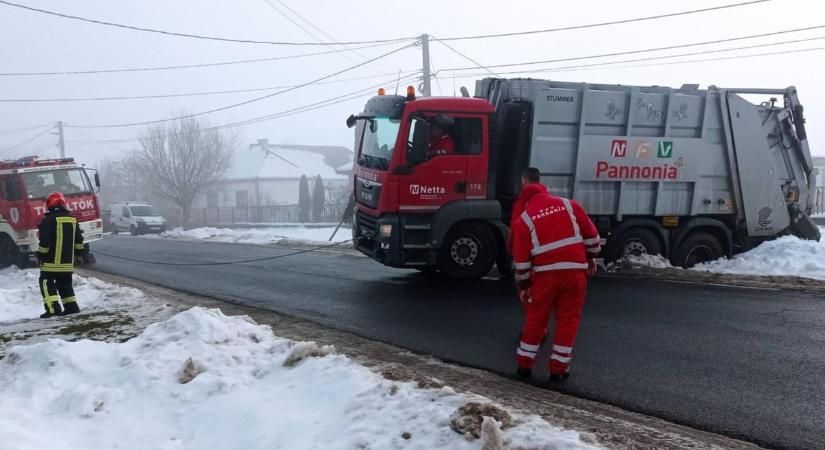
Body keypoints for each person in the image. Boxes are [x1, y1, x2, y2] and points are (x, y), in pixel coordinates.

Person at [510, 168, 600, 382]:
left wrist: (524, 287)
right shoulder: (570, 205)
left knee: (536, 319)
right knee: (568, 321)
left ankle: (524, 365)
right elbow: (593, 238)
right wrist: (590, 258)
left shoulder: (524, 220)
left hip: (545, 277)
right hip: (575, 274)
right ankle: (559, 369)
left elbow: (521, 264)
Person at [37, 191, 85, 318]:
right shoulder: (73, 220)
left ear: (49, 205)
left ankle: (53, 310)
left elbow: (45, 244)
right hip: (67, 263)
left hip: (50, 263)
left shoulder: (48, 221)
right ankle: (71, 308)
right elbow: (79, 242)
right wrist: (79, 255)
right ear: (63, 203)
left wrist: (40, 255)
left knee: (46, 283)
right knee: (65, 284)